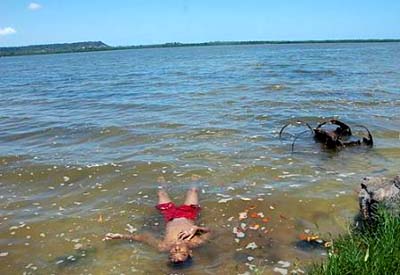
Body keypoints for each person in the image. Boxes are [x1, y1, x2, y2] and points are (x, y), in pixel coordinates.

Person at [103, 187, 211, 264]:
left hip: (170, 216)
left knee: (161, 193)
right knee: (192, 190)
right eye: (182, 253)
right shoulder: (195, 242)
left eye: (174, 252)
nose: (177, 248)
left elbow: (143, 238)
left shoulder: (163, 246)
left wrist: (121, 236)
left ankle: (161, 180)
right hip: (188, 214)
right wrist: (196, 229)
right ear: (190, 253)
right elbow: (212, 231)